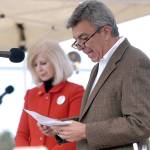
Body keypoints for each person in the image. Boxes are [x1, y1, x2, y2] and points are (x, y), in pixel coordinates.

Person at [38, 1, 150, 150]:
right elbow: (96, 118)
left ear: (106, 31)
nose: (80, 47)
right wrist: (60, 127)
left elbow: (140, 124)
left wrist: (85, 131)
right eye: (77, 42)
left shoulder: (135, 61)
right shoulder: (98, 67)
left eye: (83, 38)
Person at [15, 40, 84, 150]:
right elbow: (21, 134)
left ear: (57, 62)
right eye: (35, 65)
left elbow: (74, 137)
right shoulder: (30, 94)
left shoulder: (75, 91)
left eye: (43, 63)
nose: (39, 69)